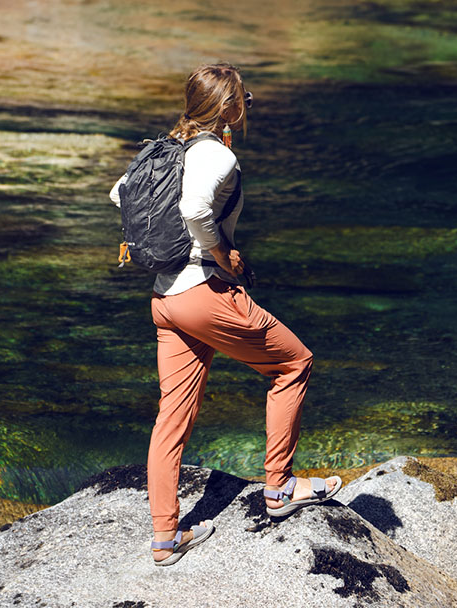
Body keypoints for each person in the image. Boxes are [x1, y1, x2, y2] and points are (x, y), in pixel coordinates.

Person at [109, 63, 341, 566]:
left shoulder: (164, 147)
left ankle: (165, 538)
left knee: (171, 419)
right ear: (229, 108)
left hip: (165, 300)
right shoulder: (215, 154)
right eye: (245, 100)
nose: (247, 107)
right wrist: (220, 253)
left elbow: (118, 193)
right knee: (293, 363)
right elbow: (195, 207)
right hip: (203, 292)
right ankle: (278, 489)